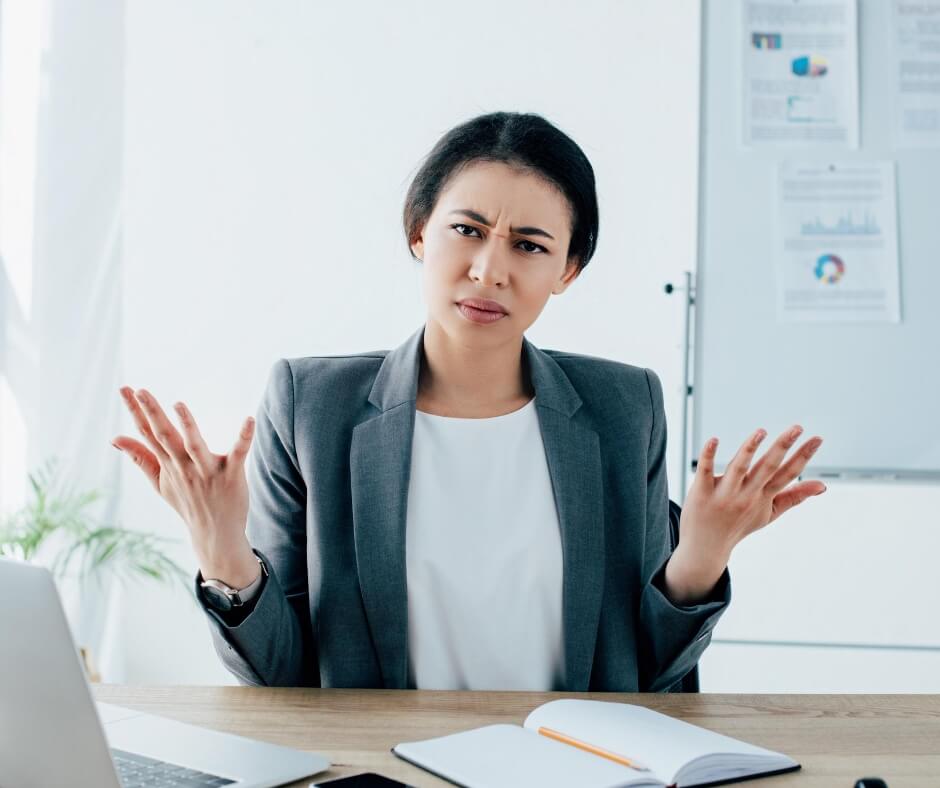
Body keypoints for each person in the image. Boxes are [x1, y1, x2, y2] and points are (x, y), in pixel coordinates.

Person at [111, 111, 826, 691]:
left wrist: (700, 555)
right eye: (468, 231)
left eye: (530, 246)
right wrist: (220, 548)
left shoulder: (622, 408)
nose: (490, 270)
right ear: (420, 233)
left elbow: (653, 675)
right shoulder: (311, 406)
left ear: (567, 271)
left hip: (573, 771)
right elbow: (279, 676)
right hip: (383, 774)